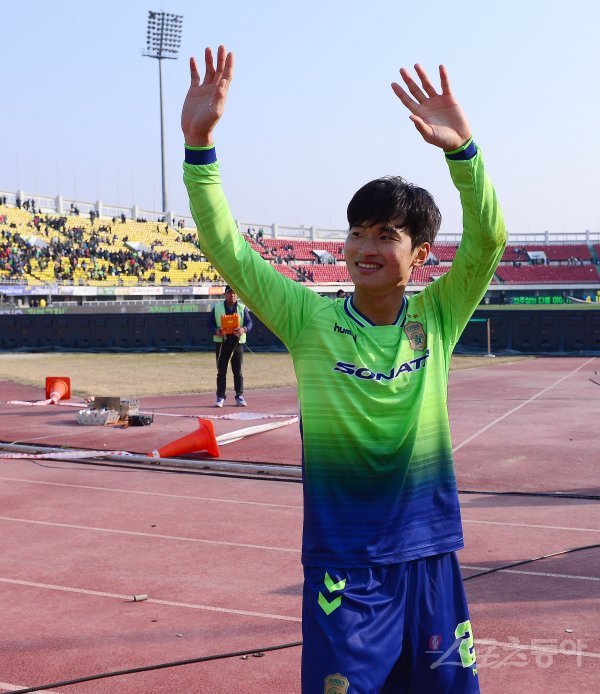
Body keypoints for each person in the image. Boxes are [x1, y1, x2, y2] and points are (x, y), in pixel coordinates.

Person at [182, 45, 505, 693]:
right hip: (345, 568)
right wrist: (199, 147)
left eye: (386, 235)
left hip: (430, 554)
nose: (365, 246)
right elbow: (227, 248)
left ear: (420, 254)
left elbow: (488, 240)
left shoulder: (437, 317)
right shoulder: (310, 319)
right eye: (358, 232)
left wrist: (464, 153)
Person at [208, 284, 253, 407]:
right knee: (221, 371)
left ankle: (239, 396)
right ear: (225, 294)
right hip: (222, 343)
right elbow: (209, 323)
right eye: (229, 293)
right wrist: (216, 331)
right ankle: (220, 397)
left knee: (237, 371)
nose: (232, 295)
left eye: (234, 293)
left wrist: (243, 329)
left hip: (237, 343)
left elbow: (249, 322)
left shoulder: (242, 307)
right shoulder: (217, 308)